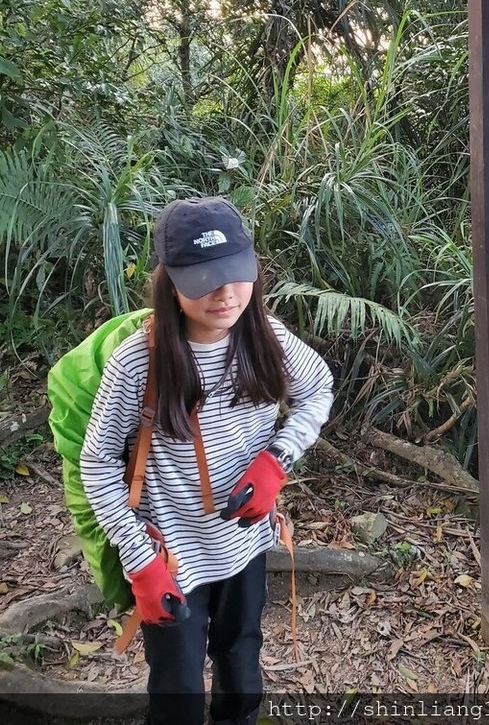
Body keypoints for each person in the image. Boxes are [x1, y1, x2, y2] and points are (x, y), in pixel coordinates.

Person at [81, 196, 334, 725]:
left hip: (245, 543)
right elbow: (99, 461)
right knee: (177, 693)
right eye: (204, 279)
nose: (225, 293)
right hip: (171, 558)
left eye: (236, 273)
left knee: (241, 669)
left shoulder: (267, 337)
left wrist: (276, 460)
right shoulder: (138, 360)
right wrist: (139, 559)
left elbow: (318, 389)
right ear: (170, 282)